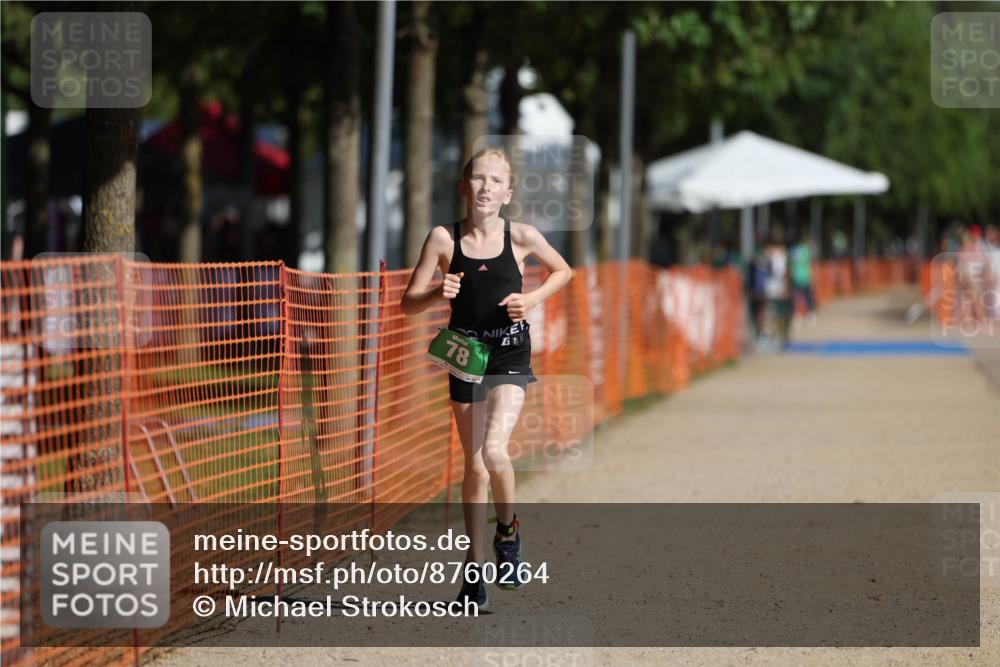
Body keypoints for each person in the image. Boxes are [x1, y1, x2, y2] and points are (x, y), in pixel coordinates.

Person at [400, 147, 574, 610]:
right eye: (478, 179)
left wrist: (532, 298)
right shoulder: (443, 239)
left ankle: (509, 534)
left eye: (496, 181)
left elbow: (564, 270)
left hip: (510, 351)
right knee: (474, 465)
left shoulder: (522, 236)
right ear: (464, 186)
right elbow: (408, 302)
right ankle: (473, 575)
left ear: (508, 192)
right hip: (465, 355)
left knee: (495, 450)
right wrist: (439, 289)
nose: (486, 187)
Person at [789, 231, 817, 328]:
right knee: (807, 298)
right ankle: (808, 316)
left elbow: (792, 264)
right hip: (805, 277)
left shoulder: (794, 250)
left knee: (796, 299)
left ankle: (798, 317)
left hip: (797, 277)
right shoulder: (806, 250)